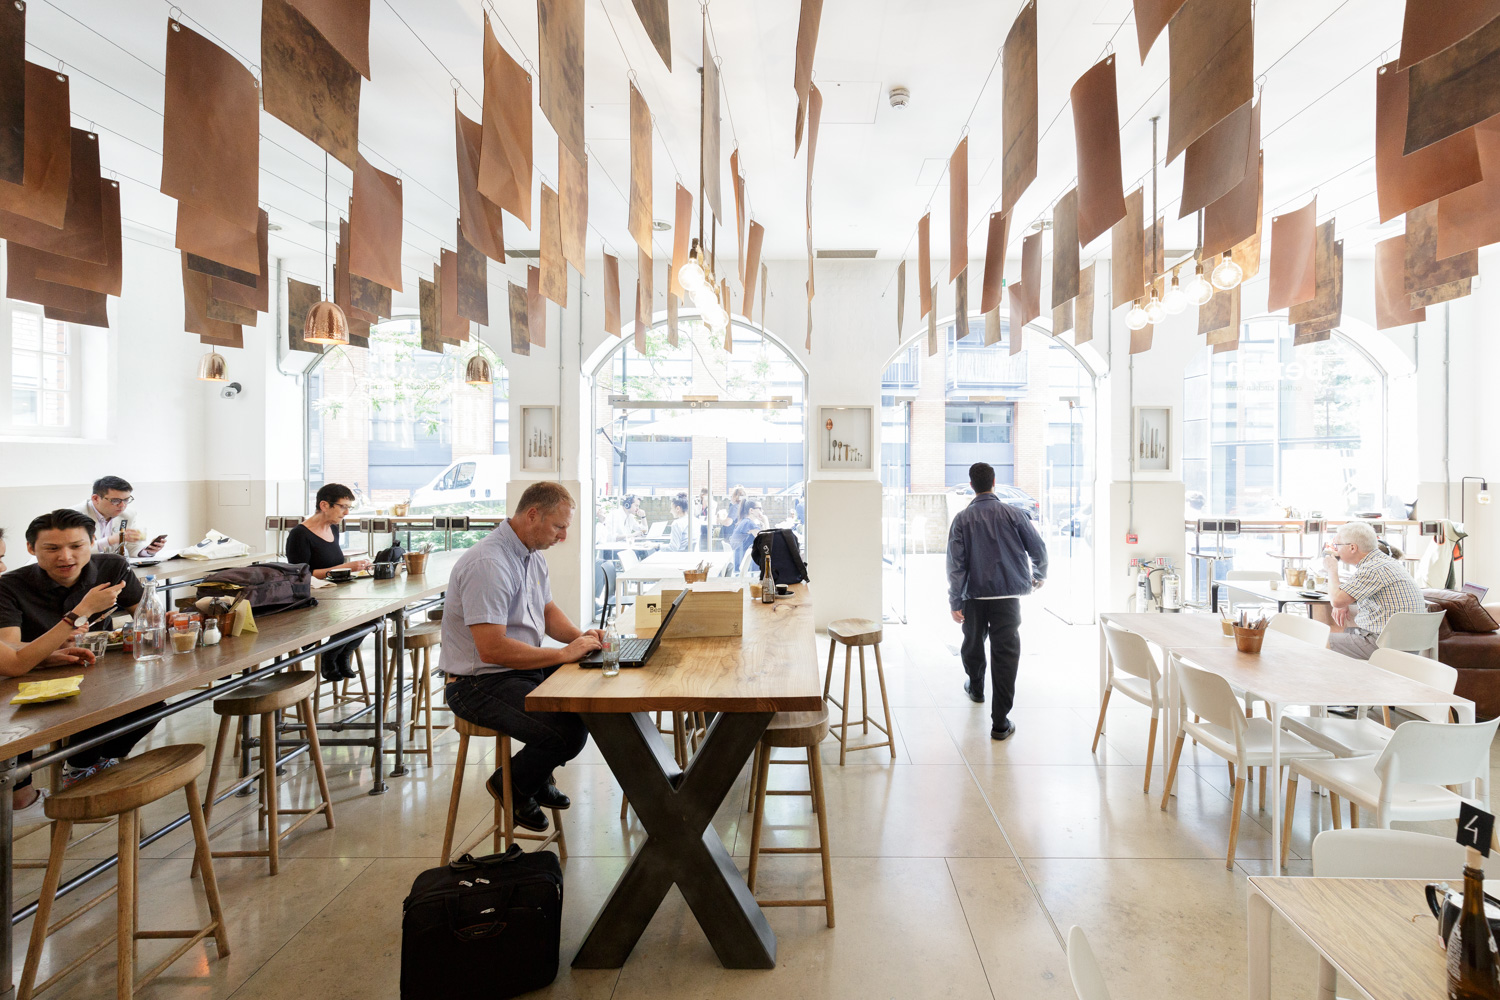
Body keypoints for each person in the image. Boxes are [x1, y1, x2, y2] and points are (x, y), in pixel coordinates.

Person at [442, 482, 605, 833]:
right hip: (476, 683)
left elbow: (546, 611)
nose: (563, 536)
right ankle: (512, 784)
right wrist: (562, 653)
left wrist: (582, 638)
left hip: (513, 671)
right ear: (532, 515)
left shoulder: (530, 555)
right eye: (558, 526)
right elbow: (493, 649)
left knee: (586, 696)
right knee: (566, 732)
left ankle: (535, 775)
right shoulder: (489, 563)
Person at [0, 509, 163, 798]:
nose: (66, 557)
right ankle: (24, 794)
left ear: (92, 543)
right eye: (52, 549)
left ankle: (87, 765)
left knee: (149, 700)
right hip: (30, 686)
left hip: (94, 673)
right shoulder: (10, 586)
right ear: (31, 549)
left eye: (76, 546)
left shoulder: (112, 567)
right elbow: (11, 656)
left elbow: (147, 618)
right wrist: (71, 623)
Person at [0, 527, 125, 823]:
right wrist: (77, 615)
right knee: (21, 712)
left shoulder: (111, 567)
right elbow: (14, 662)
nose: (2, 567)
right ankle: (20, 800)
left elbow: (9, 652)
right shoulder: (13, 586)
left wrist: (45, 656)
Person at [946, 462, 1048, 741]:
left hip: (973, 595)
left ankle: (976, 687)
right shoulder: (1014, 513)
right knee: (1005, 656)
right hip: (1008, 596)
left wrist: (955, 599)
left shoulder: (962, 519)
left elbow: (956, 565)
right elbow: (1038, 548)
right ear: (994, 482)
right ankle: (1000, 723)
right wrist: (1039, 575)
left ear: (971, 486)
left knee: (972, 643)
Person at [285, 484, 372, 680]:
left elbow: (335, 566)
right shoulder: (299, 535)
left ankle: (341, 653)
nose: (347, 512)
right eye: (343, 506)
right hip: (313, 600)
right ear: (324, 505)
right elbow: (301, 576)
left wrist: (353, 568)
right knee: (363, 614)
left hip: (336, 595)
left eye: (349, 507)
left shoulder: (334, 529)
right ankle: (331, 655)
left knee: (376, 614)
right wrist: (345, 567)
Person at [1323, 520, 1428, 659]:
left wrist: (1331, 570)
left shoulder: (1372, 569)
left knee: (1318, 639)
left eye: (1337, 545)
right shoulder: (1383, 562)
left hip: (1385, 646)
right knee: (1345, 627)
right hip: (1406, 643)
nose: (1335, 549)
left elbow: (1336, 600)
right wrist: (1343, 602)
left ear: (1353, 548)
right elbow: (1342, 599)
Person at [76, 475, 166, 558]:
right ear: (96, 499)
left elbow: (132, 547)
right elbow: (75, 550)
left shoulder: (128, 515)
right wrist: (110, 540)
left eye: (126, 500)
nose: (122, 505)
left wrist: (148, 551)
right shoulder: (74, 515)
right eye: (115, 500)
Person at [729, 500, 768, 570]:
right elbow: (766, 541)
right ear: (751, 510)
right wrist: (765, 521)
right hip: (744, 562)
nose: (762, 511)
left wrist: (762, 525)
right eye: (759, 508)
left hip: (739, 559)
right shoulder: (749, 523)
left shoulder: (745, 522)